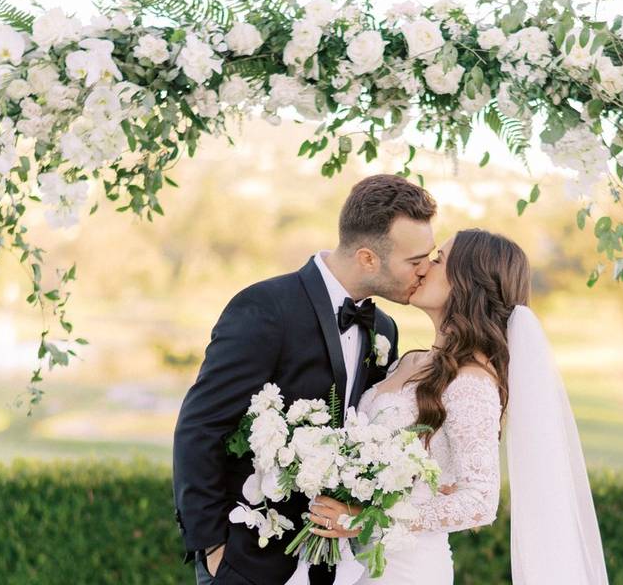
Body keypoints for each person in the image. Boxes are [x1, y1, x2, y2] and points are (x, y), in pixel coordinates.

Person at [172, 174, 438, 585]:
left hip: (335, 562)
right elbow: (200, 426)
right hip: (249, 559)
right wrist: (212, 550)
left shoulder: (383, 330)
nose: (424, 271)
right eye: (415, 261)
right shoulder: (265, 307)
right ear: (368, 257)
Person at [308, 229, 610, 584]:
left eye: (437, 260)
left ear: (467, 284)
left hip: (404, 569)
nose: (422, 268)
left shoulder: (470, 383)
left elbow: (479, 501)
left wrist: (366, 517)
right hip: (355, 561)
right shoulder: (410, 361)